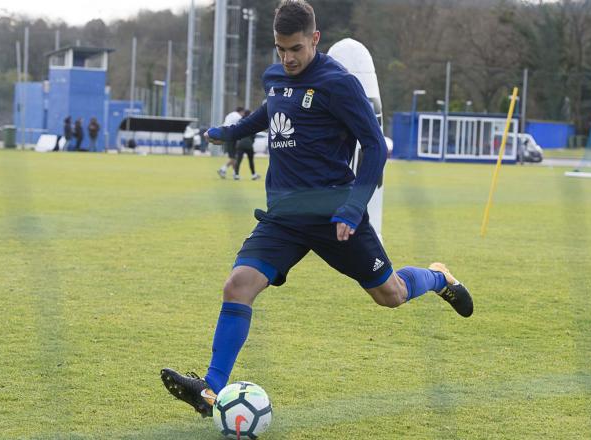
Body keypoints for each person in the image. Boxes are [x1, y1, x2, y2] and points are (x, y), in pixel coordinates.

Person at [161, 0, 473, 418]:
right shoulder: (275, 76)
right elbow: (271, 109)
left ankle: (438, 277)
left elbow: (376, 146)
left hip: (335, 215)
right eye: (280, 49)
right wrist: (234, 131)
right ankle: (212, 390)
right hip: (284, 216)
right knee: (238, 285)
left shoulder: (338, 84)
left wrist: (352, 207)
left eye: (296, 49)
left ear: (314, 39)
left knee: (391, 295)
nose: (287, 59)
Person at [216, 106, 245, 179]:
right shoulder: (238, 117)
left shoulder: (230, 114)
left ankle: (235, 174)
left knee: (234, 157)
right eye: (243, 113)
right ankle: (222, 169)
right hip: (231, 136)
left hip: (225, 134)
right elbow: (240, 126)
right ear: (241, 111)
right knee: (234, 157)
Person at [234, 110, 260, 181]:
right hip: (248, 144)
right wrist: (252, 141)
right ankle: (253, 175)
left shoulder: (239, 121)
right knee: (251, 160)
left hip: (240, 144)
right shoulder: (251, 121)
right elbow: (253, 133)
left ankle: (236, 175)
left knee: (238, 160)